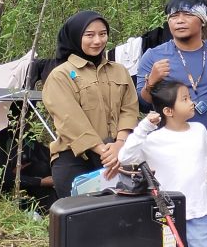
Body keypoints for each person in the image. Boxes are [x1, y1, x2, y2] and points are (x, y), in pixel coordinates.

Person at [41, 10, 138, 199]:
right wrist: (104, 151)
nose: (98, 41)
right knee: (80, 221)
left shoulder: (119, 70)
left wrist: (119, 144)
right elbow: (69, 119)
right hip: (75, 159)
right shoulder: (60, 75)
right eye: (89, 35)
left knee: (118, 217)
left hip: (117, 155)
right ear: (76, 37)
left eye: (102, 34)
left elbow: (130, 108)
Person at [119, 80, 207, 247]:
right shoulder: (152, 140)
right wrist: (144, 127)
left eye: (189, 97)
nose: (191, 103)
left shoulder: (199, 130)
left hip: (199, 210)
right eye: (185, 99)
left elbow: (206, 158)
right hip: (168, 215)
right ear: (168, 111)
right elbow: (125, 157)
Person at [136, 0, 207, 152]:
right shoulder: (153, 56)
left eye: (187, 14)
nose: (179, 21)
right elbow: (143, 103)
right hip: (166, 146)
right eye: (174, 16)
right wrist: (151, 81)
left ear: (203, 19)